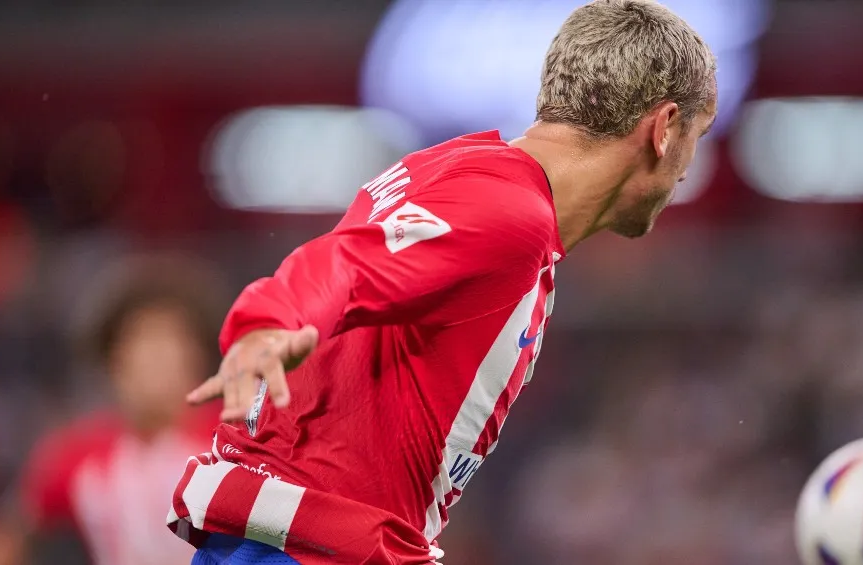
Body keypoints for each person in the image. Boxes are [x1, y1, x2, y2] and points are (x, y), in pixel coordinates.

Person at [170, 1, 718, 563]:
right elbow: (346, 264)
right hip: (308, 549)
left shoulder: (456, 167)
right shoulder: (510, 215)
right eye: (698, 135)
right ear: (664, 127)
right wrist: (270, 319)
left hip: (290, 534)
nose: (686, 168)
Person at [0, 255, 225, 565]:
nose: (156, 363)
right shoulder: (78, 456)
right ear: (114, 364)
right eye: (142, 346)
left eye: (168, 345)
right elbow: (3, 541)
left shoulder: (235, 444)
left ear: (195, 359)